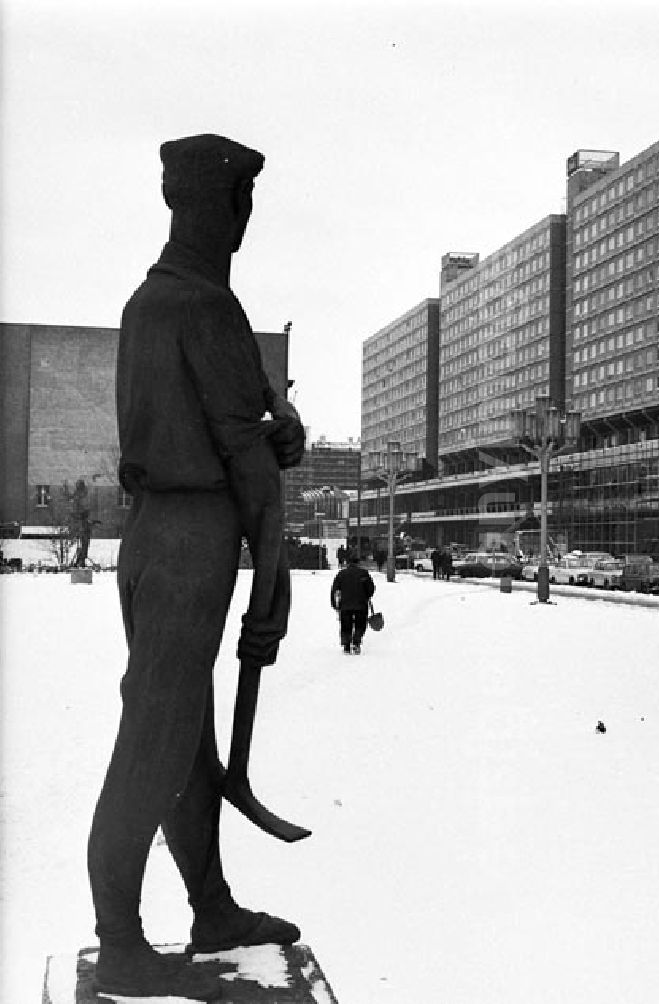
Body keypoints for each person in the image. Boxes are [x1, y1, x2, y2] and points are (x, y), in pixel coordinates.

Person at [87, 135, 305, 1001]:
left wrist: (274, 434)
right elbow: (244, 462)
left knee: (184, 739)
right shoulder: (208, 309)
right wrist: (272, 570)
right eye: (240, 200)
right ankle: (121, 943)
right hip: (190, 545)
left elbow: (240, 433)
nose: (246, 216)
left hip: (157, 537)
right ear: (214, 206)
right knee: (155, 742)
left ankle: (210, 907)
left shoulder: (153, 304)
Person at [331, 551, 376, 653]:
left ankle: (346, 645)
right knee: (360, 624)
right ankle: (356, 643)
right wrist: (367, 596)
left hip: (345, 605)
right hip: (361, 604)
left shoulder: (341, 574)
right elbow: (371, 588)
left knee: (346, 625)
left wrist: (335, 604)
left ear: (347, 563)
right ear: (358, 563)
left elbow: (335, 589)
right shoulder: (364, 574)